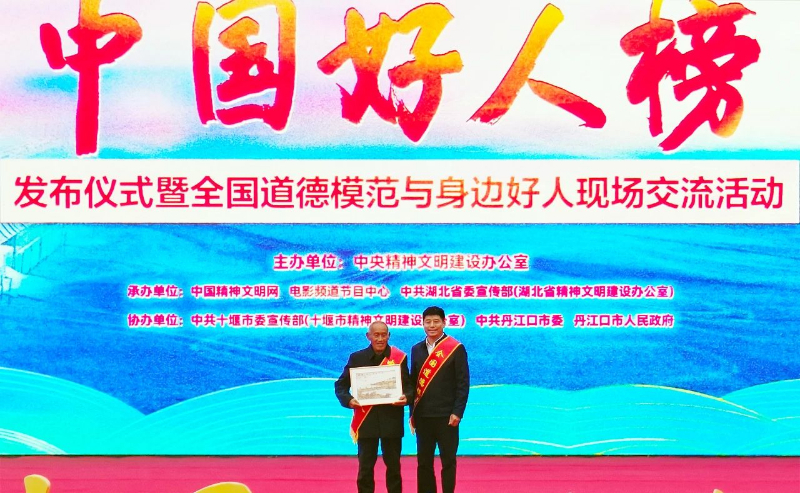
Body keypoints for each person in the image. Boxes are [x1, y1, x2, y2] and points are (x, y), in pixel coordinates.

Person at [335, 321, 413, 493]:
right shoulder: (357, 358)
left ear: (389, 336)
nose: (380, 339)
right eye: (376, 335)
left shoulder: (399, 358)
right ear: (368, 336)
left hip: (391, 420)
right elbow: (340, 385)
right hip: (366, 420)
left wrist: (406, 397)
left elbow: (409, 387)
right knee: (365, 468)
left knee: (394, 468)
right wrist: (349, 400)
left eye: (383, 335)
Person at [410, 306, 469, 493]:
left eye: (436, 321)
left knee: (448, 461)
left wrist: (457, 412)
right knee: (424, 462)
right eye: (428, 322)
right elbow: (413, 382)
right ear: (422, 324)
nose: (432, 325)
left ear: (444, 323)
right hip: (423, 416)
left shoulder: (455, 349)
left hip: (447, 416)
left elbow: (462, 383)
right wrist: (412, 413)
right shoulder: (416, 349)